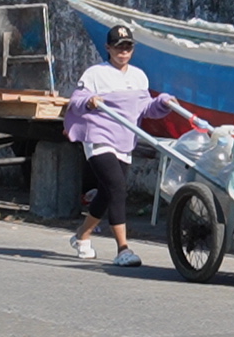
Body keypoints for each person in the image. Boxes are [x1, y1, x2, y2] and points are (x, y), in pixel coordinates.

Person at [64, 24, 175, 266]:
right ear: (108, 48)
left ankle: (82, 235)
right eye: (118, 47)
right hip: (99, 135)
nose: (123, 52)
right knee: (117, 188)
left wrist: (163, 102)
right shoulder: (95, 73)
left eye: (127, 47)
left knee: (108, 192)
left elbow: (146, 109)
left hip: (125, 139)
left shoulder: (138, 76)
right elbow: (77, 99)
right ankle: (123, 249)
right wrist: (90, 101)